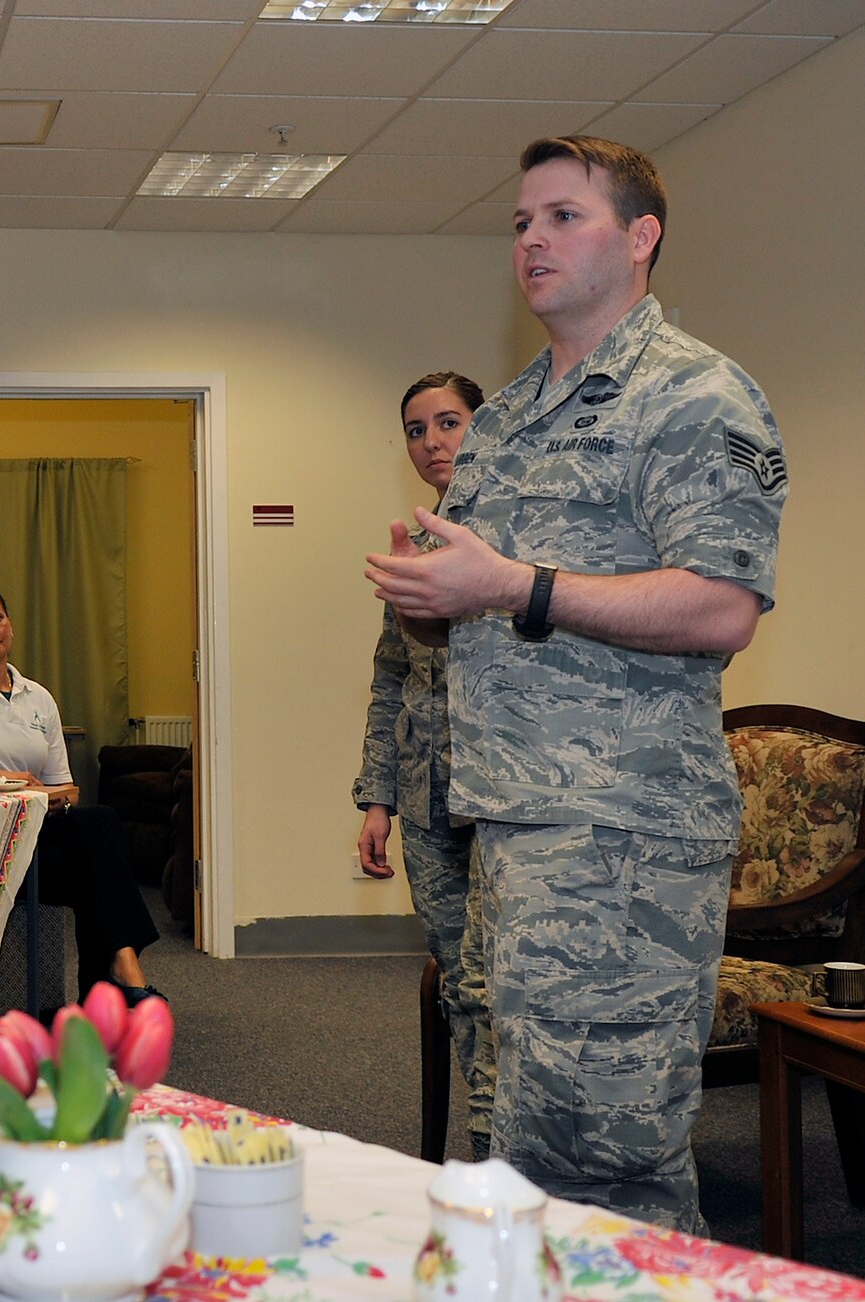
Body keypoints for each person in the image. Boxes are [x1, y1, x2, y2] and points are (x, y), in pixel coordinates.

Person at [366, 136, 787, 1231]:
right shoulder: (505, 416)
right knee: (535, 1147)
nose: (531, 241)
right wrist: (433, 599)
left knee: (613, 1169)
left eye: (562, 216)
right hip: (509, 828)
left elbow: (721, 608)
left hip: (623, 836)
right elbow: (487, 604)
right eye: (520, 222)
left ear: (640, 237)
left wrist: (511, 584)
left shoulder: (693, 393)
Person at [353, 371, 496, 1160]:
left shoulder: (519, 532)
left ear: (484, 425)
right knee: (460, 982)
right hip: (426, 799)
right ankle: (486, 1143)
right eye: (416, 429)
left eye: (449, 422)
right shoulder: (414, 550)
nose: (433, 442)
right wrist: (377, 799)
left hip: (504, 802)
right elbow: (390, 679)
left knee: (497, 980)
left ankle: (509, 1149)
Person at [0, 586, 162, 1005]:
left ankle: (116, 978)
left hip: (32, 835)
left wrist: (55, 798)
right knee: (96, 860)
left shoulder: (38, 697)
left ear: (11, 625)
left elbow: (66, 787)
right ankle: (118, 981)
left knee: (98, 831)